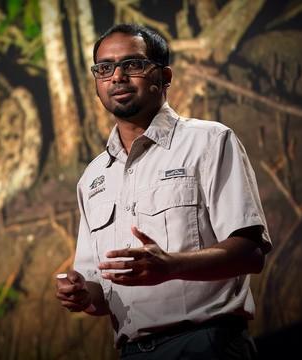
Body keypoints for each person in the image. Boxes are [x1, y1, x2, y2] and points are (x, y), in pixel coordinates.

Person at [55, 23, 272, 359]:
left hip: (207, 344)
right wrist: (83, 294)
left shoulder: (209, 141)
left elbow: (250, 253)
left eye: (133, 64)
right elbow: (98, 295)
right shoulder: (93, 177)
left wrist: (171, 265)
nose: (118, 77)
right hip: (132, 352)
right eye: (105, 68)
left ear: (165, 76)